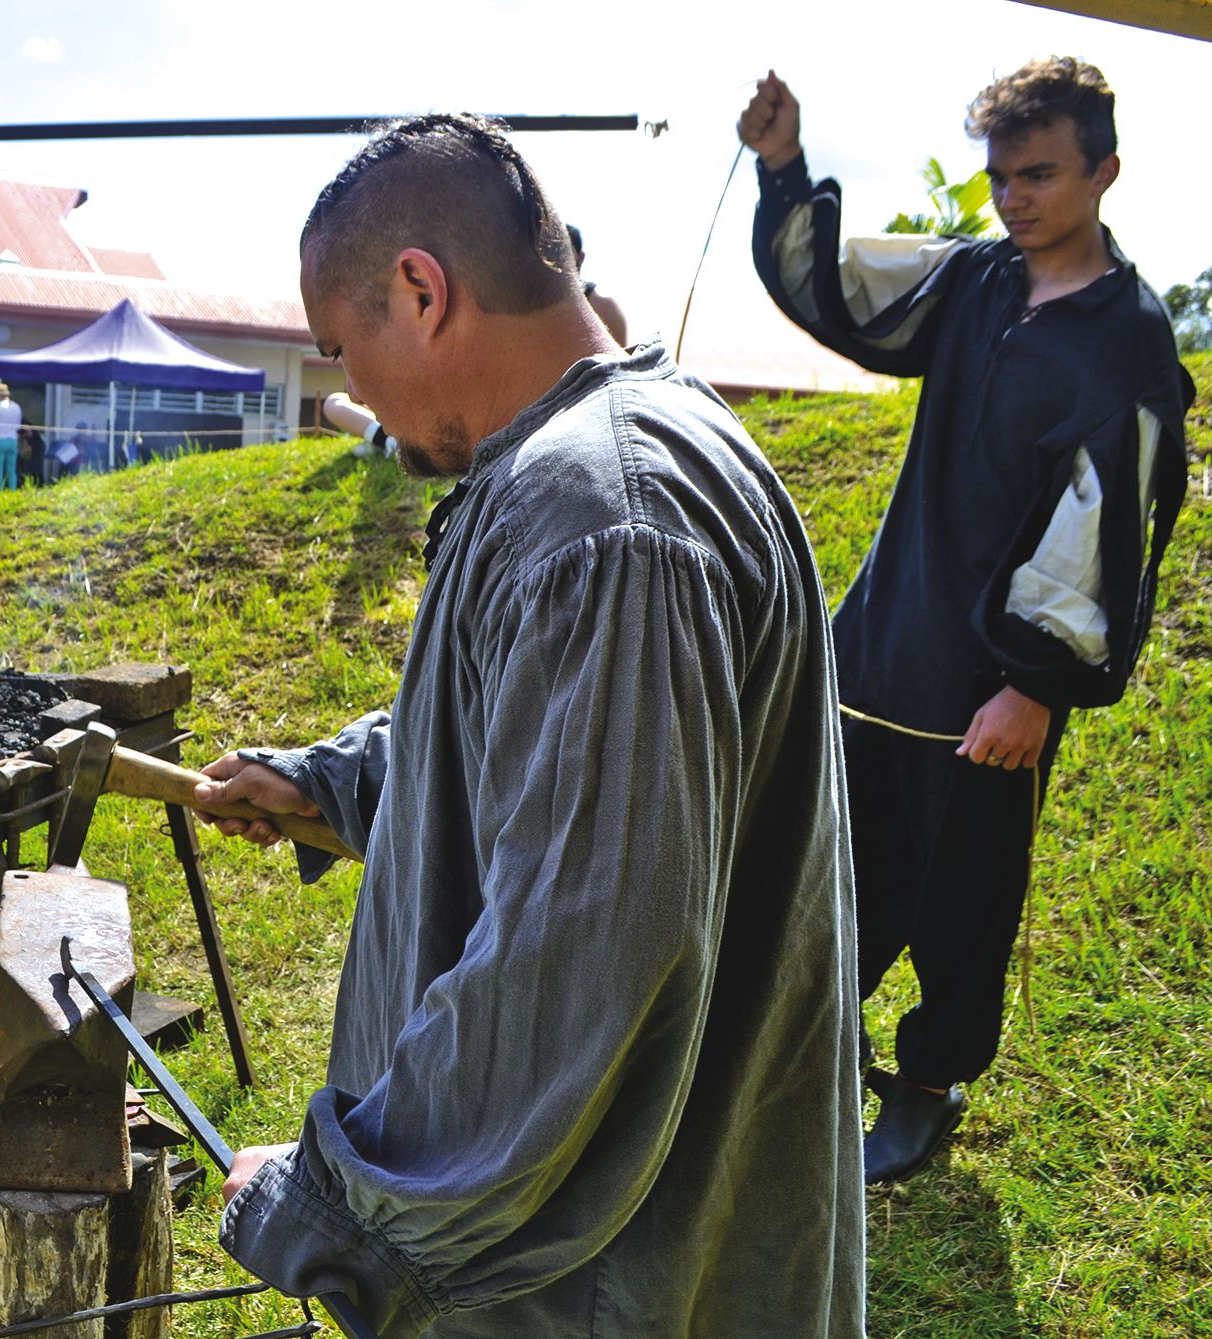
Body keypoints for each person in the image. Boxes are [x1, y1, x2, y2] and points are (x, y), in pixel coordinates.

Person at [197, 112, 863, 1337]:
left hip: (603, 1283)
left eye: (345, 352)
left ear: (419, 291)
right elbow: (542, 755)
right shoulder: (602, 466)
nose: (357, 397)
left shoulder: (602, 516)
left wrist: (338, 1210)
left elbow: (576, 958)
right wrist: (334, 783)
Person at [740, 60, 1191, 1185]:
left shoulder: (1124, 342)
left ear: (1103, 170)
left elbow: (1105, 532)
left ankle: (928, 1085)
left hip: (992, 686)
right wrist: (783, 167)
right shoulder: (977, 281)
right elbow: (845, 290)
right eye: (999, 176)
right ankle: (803, 1045)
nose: (1013, 197)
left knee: (961, 899)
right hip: (886, 638)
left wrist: (1033, 684)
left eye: (1038, 174)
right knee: (831, 864)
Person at [566, 223, 629, 344]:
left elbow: (621, 360)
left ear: (580, 256)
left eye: (565, 250)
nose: (559, 258)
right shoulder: (536, 304)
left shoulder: (602, 304)